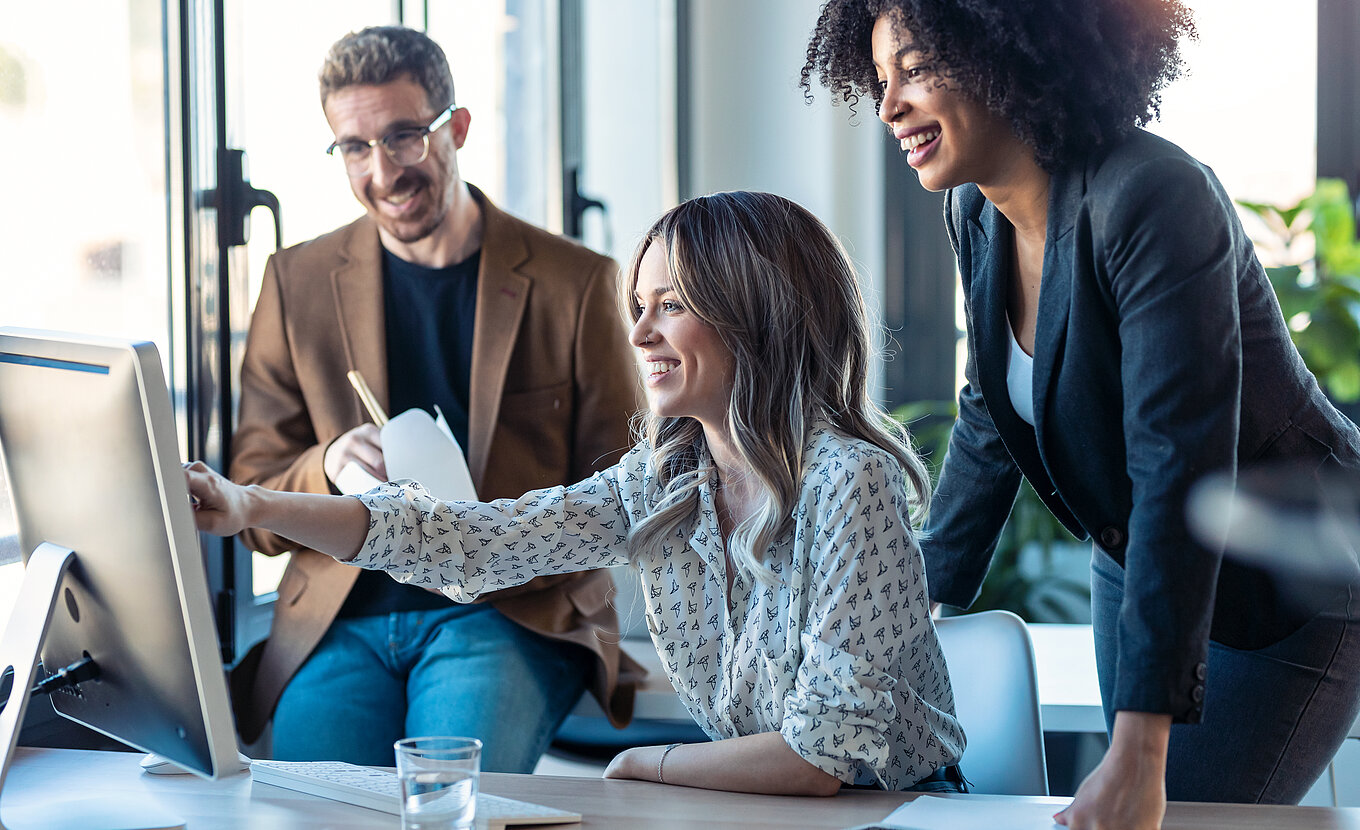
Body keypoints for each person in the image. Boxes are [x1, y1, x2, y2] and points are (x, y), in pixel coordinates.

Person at [190, 190, 967, 795]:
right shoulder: (666, 477)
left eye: (671, 305)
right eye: (640, 307)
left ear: (753, 314)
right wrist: (250, 506)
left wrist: (645, 766)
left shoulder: (848, 481)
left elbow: (819, 758)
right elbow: (468, 543)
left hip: (900, 811)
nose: (638, 336)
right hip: (775, 806)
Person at [803, 1, 1360, 827]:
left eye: (915, 71)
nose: (888, 108)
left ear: (1010, 55)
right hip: (1132, 563)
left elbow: (1180, 469)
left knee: (1180, 816)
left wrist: (1138, 752)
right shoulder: (976, 211)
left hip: (1281, 584)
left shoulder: (1157, 197)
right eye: (881, 80)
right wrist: (899, 614)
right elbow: (990, 421)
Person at [227, 25, 642, 771]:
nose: (382, 171)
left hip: (507, 611)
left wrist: (498, 545)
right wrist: (324, 465)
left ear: (456, 129)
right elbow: (251, 491)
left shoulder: (575, 283)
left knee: (449, 797)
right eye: (354, 147)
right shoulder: (296, 282)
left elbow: (624, 490)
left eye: (404, 137)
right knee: (311, 810)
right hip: (339, 615)